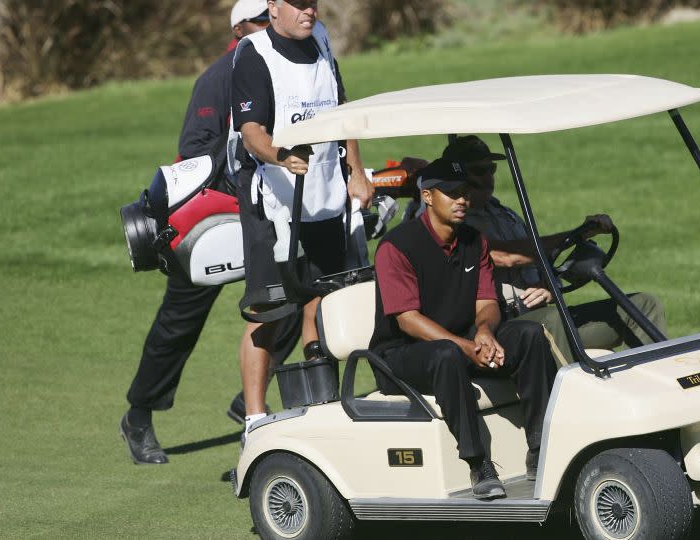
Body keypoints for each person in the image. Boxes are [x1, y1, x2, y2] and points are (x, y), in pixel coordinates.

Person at [119, 0, 282, 466]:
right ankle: (139, 416)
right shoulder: (218, 76)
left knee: (289, 301)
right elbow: (194, 150)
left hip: (267, 214)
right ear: (241, 27)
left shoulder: (284, 64)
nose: (271, 27)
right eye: (262, 21)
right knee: (179, 323)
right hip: (209, 219)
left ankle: (247, 397)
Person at [369, 158, 557, 500]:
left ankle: (540, 448)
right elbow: (406, 319)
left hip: (457, 341)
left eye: (465, 193)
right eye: (452, 193)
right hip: (399, 355)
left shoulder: (474, 240)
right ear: (427, 196)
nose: (462, 201)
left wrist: (484, 332)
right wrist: (464, 344)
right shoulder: (396, 247)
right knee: (446, 354)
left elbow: (486, 302)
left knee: (529, 335)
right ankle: (478, 463)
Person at [230, 0, 374, 434]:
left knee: (321, 302)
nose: (308, 10)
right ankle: (254, 417)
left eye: (312, 2)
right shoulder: (254, 52)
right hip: (272, 202)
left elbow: (342, 107)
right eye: (298, 4)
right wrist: (281, 156)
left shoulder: (323, 37)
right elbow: (251, 131)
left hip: (325, 194)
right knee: (269, 314)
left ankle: (320, 403)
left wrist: (355, 171)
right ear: (273, 7)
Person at [444, 135, 667, 364]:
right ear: (458, 177)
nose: (489, 178)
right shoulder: (453, 223)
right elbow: (507, 256)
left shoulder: (505, 214)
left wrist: (550, 285)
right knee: (553, 320)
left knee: (644, 305)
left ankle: (656, 388)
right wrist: (575, 234)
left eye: (491, 169)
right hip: (503, 326)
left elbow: (540, 259)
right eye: (479, 171)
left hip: (545, 314)